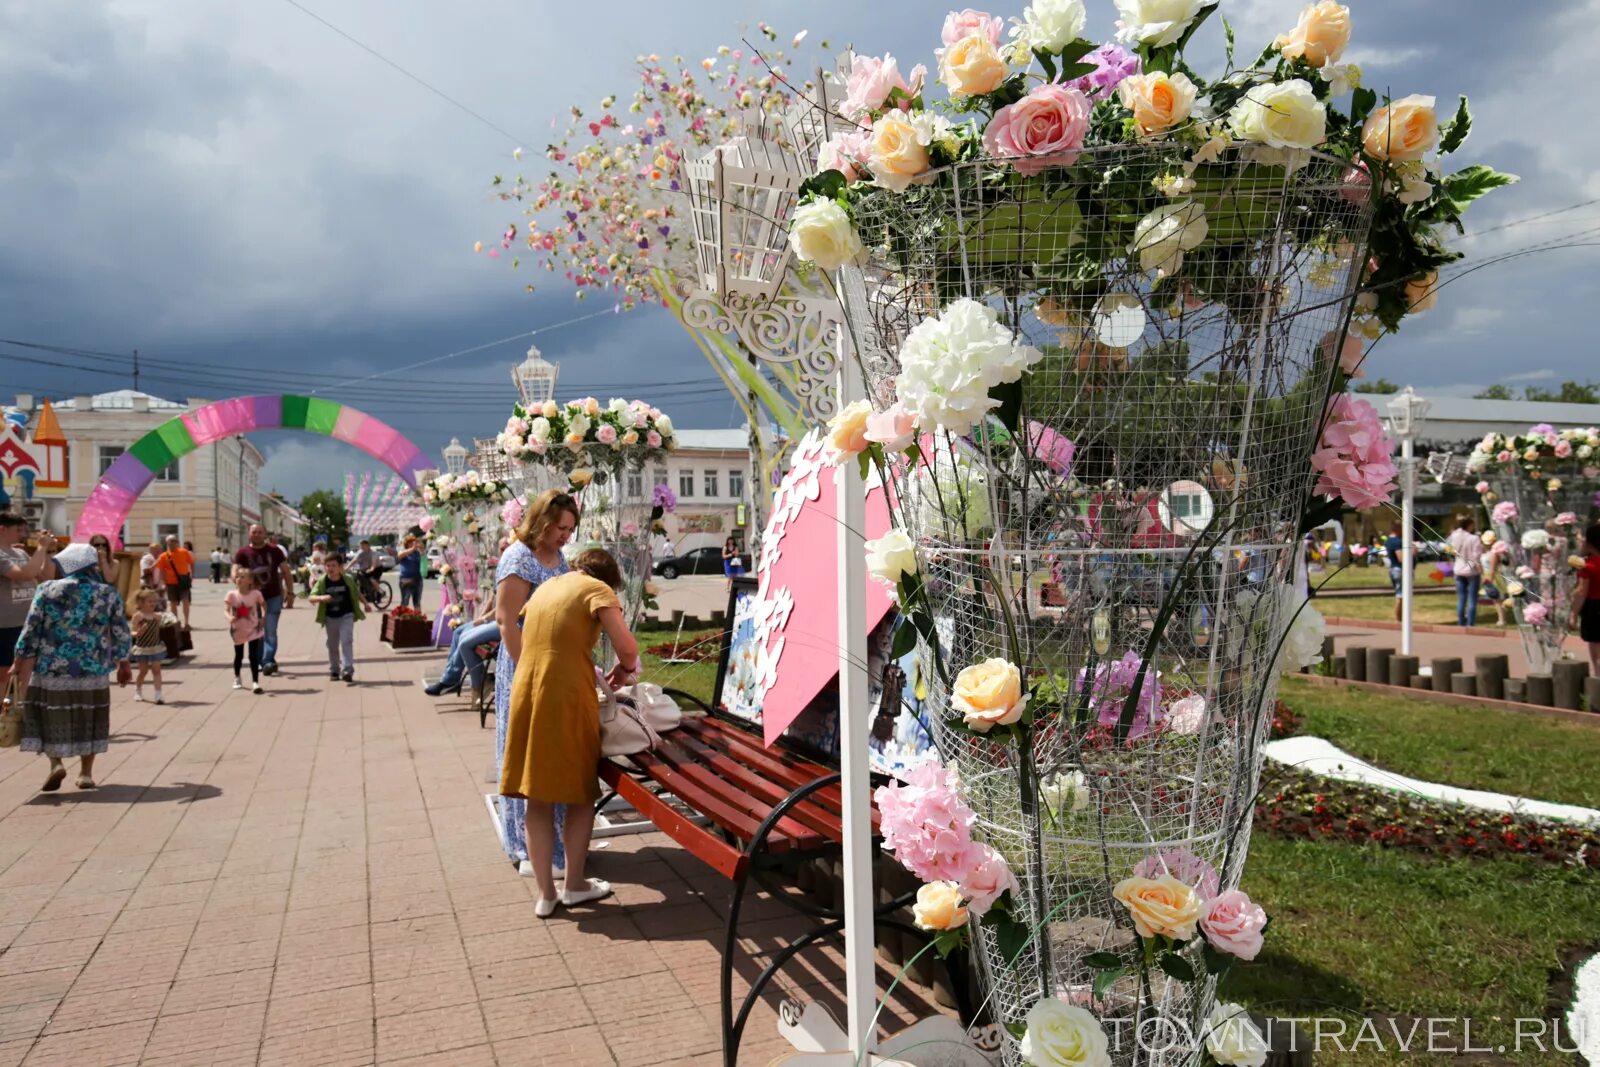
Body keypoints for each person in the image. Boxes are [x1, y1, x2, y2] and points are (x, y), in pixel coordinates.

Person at [501, 547, 639, 917]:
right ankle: (574, 884)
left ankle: (545, 894)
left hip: (527, 692)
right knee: (579, 794)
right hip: (564, 695)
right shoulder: (597, 590)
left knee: (537, 796)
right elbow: (627, 647)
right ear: (607, 579)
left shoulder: (546, 587)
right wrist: (625, 670)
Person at [494, 489, 580, 876]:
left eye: (570, 529)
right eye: (562, 528)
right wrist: (528, 670)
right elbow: (507, 622)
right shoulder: (518, 559)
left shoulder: (557, 556)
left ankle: (558, 845)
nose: (566, 536)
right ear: (543, 522)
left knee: (551, 755)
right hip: (526, 668)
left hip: (551, 666)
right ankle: (527, 850)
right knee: (527, 756)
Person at [13, 543, 131, 791]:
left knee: (47, 715)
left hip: (51, 667)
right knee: (91, 717)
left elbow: (32, 627)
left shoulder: (46, 590)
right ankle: (86, 773)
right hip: (93, 667)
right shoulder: (107, 593)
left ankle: (55, 763)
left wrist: (20, 658)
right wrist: (123, 662)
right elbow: (120, 631)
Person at [0, 514, 55, 695]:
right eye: (18, 530)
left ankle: (20, 714)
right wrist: (41, 547)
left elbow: (45, 577)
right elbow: (24, 574)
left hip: (26, 624)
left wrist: (48, 553)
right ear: (2, 529)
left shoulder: (20, 552)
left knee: (27, 672)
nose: (22, 534)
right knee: (4, 674)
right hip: (6, 625)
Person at [234, 524, 294, 675]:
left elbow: (286, 572)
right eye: (254, 532)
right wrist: (236, 580)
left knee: (270, 630)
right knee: (257, 630)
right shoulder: (243, 552)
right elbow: (235, 570)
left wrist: (290, 592)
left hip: (273, 596)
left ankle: (267, 660)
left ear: (265, 534)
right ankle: (262, 660)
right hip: (252, 598)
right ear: (249, 534)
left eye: (260, 532)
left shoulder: (275, 551)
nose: (257, 535)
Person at [309, 554, 367, 684]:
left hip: (346, 615)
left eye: (334, 565)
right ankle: (334, 670)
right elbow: (311, 597)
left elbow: (356, 592)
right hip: (331, 617)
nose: (330, 568)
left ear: (340, 567)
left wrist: (366, 604)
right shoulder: (323, 581)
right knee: (332, 645)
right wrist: (321, 598)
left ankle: (348, 670)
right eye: (328, 566)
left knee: (347, 640)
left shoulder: (347, 579)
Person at [424, 601, 499, 696]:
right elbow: (493, 598)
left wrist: (484, 619)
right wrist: (481, 617)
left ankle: (473, 684)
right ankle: (451, 678)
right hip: (496, 618)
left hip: (503, 620)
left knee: (464, 641)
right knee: (458, 632)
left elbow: (504, 604)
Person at [225, 569, 266, 693]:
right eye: (237, 576)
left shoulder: (256, 594)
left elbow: (264, 605)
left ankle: (255, 682)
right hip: (238, 629)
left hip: (253, 629)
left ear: (250, 581)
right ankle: (237, 677)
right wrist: (229, 617)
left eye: (243, 577)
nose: (239, 579)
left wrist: (263, 617)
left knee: (253, 656)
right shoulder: (231, 594)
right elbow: (226, 610)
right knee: (239, 655)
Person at [129, 589, 172, 704]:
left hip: (155, 647)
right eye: (150, 601)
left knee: (156, 670)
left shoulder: (157, 616)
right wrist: (138, 633)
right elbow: (132, 632)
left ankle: (158, 694)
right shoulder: (138, 616)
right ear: (141, 602)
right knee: (143, 671)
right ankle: (138, 691)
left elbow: (156, 631)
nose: (153, 604)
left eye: (155, 601)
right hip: (142, 648)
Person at [1569, 525, 1600, 674]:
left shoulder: (1587, 567)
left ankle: (1598, 674)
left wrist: (1573, 614)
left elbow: (1582, 592)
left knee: (1595, 642)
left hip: (1594, 607)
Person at [1446, 515, 1483, 627]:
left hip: (1458, 569)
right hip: (1471, 569)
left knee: (1461, 598)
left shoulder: (1455, 536)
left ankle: (1461, 622)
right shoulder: (1474, 538)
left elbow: (1449, 548)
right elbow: (1477, 554)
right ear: (1470, 525)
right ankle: (1470, 623)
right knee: (1472, 598)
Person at [156, 535, 195, 629]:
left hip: (184, 581)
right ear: (167, 543)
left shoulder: (184, 552)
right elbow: (161, 571)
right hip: (171, 583)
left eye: (175, 541)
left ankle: (186, 623)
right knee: (173, 603)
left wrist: (192, 575)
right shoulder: (163, 556)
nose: (173, 543)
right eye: (171, 541)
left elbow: (191, 563)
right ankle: (176, 623)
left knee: (185, 601)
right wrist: (162, 583)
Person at [1480, 531, 1509, 626]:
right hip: (1487, 575)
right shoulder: (1487, 553)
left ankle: (1502, 619)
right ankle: (1501, 618)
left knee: (1497, 599)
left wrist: (1489, 580)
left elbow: (1492, 569)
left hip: (1493, 577)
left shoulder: (1493, 554)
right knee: (1496, 600)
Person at [395, 536, 424, 611]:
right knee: (405, 601)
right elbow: (400, 555)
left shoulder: (417, 553)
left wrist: (421, 547)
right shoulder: (403, 552)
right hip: (405, 580)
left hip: (417, 579)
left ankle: (418, 619)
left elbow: (423, 557)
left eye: (414, 542)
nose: (413, 544)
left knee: (417, 602)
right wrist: (412, 548)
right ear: (406, 544)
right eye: (410, 543)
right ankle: (402, 619)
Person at [1384, 523, 1405, 622]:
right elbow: (1401, 558)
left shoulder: (1388, 541)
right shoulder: (1397, 542)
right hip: (1399, 570)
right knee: (1400, 596)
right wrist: (1412, 553)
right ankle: (1399, 620)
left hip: (1392, 568)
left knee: (1399, 594)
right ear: (1398, 529)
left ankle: (1401, 618)